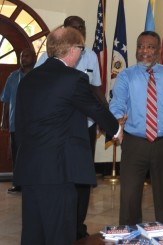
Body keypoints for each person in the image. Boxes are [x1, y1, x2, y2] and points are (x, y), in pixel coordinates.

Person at [14, 26, 122, 245]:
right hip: (58, 171)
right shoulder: (73, 79)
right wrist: (117, 130)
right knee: (59, 233)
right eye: (81, 49)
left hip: (30, 168)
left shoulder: (28, 79)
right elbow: (96, 108)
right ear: (73, 49)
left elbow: (21, 123)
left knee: (33, 233)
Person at [35, 15, 106, 239]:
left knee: (83, 177)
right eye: (74, 28)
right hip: (59, 127)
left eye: (82, 27)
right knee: (61, 175)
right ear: (64, 31)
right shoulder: (48, 57)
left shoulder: (91, 55)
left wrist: (106, 118)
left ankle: (78, 225)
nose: (79, 30)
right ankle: (60, 222)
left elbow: (96, 90)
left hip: (85, 125)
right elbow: (35, 87)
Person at [109, 31, 163, 225]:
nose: (144, 51)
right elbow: (117, 104)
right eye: (141, 46)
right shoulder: (126, 76)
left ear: (158, 51)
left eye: (150, 47)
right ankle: (130, 235)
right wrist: (118, 121)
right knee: (129, 196)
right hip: (135, 143)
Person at [0, 48, 36, 193]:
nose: (23, 59)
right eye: (21, 56)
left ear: (33, 58)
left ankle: (33, 182)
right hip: (16, 123)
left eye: (26, 56)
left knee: (34, 154)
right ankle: (18, 183)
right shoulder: (12, 77)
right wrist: (4, 120)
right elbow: (6, 100)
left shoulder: (39, 76)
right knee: (17, 155)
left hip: (35, 124)